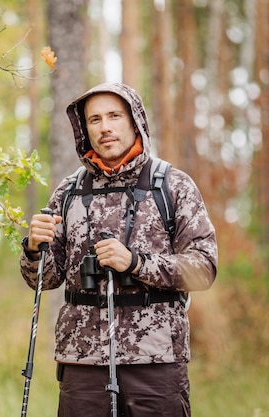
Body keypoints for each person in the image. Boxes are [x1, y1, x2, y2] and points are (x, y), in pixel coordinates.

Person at [19, 82, 218, 417]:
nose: (105, 126)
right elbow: (45, 279)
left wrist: (136, 263)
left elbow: (204, 269)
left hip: (155, 359)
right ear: (84, 128)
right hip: (81, 359)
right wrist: (34, 249)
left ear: (134, 120)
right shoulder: (69, 191)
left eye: (114, 115)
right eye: (94, 119)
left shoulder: (172, 185)